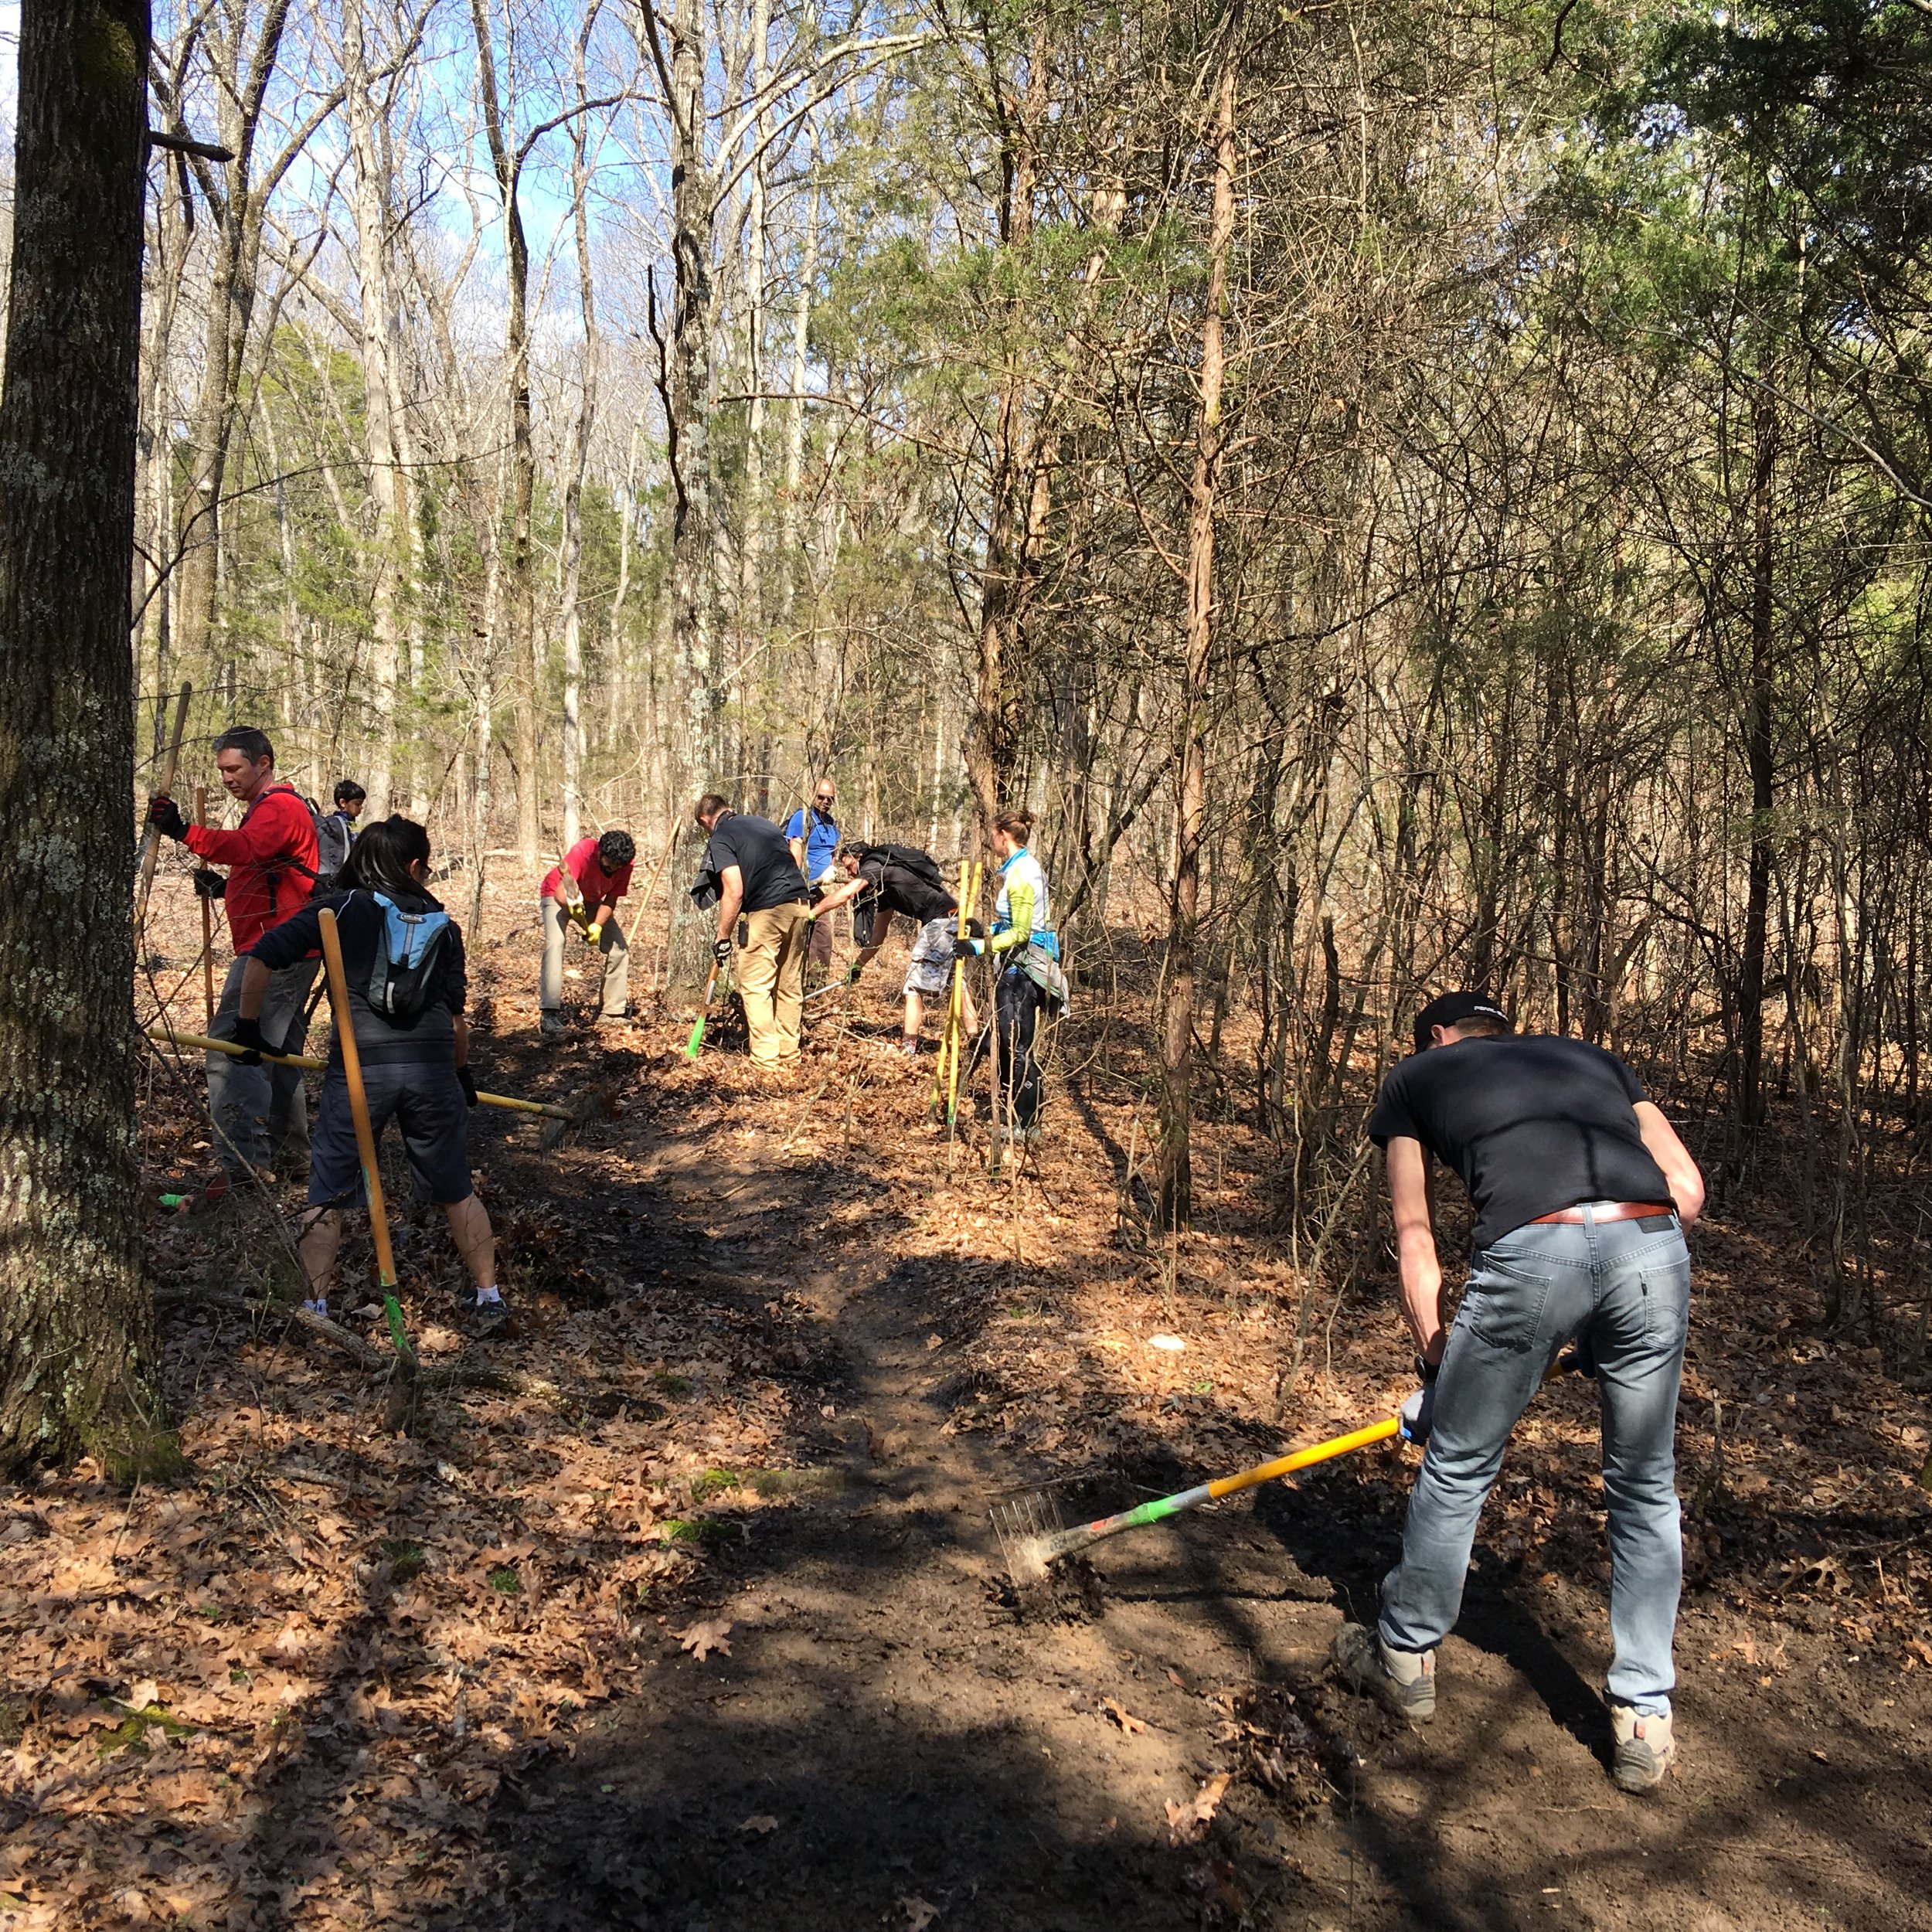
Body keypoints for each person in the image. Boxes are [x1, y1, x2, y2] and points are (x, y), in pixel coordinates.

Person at [1333, 990, 1707, 1796]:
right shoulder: (1590, 1059)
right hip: (1652, 1248)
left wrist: (1440, 1364)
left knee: (1460, 1458)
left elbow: (1414, 1235)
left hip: (1534, 1253)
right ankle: (1644, 1715)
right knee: (1644, 1486)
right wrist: (1616, 1299)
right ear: (1503, 1030)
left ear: (1436, 1037)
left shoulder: (1415, 1076)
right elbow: (1686, 1188)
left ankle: (1403, 1656)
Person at [240, 816, 507, 1335]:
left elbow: (261, 957)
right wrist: (461, 1072)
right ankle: (488, 1296)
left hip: (362, 1070)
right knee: (456, 1187)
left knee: (328, 1193)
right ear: (413, 866)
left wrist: (250, 1031)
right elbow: (456, 1021)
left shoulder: (336, 910)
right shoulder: (443, 926)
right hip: (433, 1070)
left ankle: (316, 1308)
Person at [147, 726, 321, 1182]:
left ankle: (244, 1168)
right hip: (283, 946)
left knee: (232, 1049)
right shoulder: (266, 809)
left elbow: (246, 848)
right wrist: (228, 889)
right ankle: (290, 1158)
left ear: (263, 763)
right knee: (278, 1055)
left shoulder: (280, 806)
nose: (226, 777)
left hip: (276, 953)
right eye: (221, 770)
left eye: (234, 768)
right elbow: (269, 868)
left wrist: (182, 830)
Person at [951, 810, 1061, 1141]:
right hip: (1013, 968)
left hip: (1022, 972)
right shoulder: (1019, 869)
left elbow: (1022, 932)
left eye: (993, 835)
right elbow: (1010, 926)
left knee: (1017, 1047)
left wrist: (978, 948)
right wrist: (982, 933)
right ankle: (1011, 1116)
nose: (992, 841)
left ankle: (1026, 1125)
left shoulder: (1023, 874)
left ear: (1003, 835)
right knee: (1006, 1043)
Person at [812, 840, 974, 1056]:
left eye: (849, 867)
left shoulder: (876, 865)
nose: (850, 874)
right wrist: (857, 966)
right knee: (958, 984)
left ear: (859, 857)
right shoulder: (887, 889)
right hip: (954, 920)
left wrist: (815, 912)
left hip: (940, 923)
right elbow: (878, 937)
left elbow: (848, 893)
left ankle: (909, 1050)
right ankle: (977, 1039)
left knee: (913, 987)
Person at [694, 794, 811, 1069]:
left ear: (705, 820)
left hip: (767, 911)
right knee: (789, 985)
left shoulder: (721, 837)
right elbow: (792, 860)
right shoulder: (764, 824)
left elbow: (734, 890)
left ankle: (766, 1061)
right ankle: (788, 1054)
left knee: (756, 986)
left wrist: (722, 935)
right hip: (800, 905)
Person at [539, 829, 637, 1035]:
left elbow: (611, 900)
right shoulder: (584, 851)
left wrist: (597, 925)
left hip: (592, 901)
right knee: (555, 943)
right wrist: (574, 908)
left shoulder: (626, 866)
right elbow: (560, 894)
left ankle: (611, 1013)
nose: (613, 869)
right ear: (601, 853)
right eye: (609, 864)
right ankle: (549, 1014)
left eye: (618, 866)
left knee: (619, 949)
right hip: (560, 894)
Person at [784, 779, 843, 975]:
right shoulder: (802, 817)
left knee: (823, 936)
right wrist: (797, 883)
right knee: (797, 937)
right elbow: (795, 849)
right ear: (813, 794)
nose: (825, 802)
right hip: (800, 889)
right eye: (821, 797)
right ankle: (792, 981)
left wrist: (831, 871)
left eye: (830, 799)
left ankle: (816, 984)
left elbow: (833, 852)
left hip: (821, 891)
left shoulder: (832, 824)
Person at [315, 781, 366, 883]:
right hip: (334, 878)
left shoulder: (352, 824)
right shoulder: (337, 823)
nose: (361, 808)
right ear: (343, 803)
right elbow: (343, 853)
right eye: (357, 804)